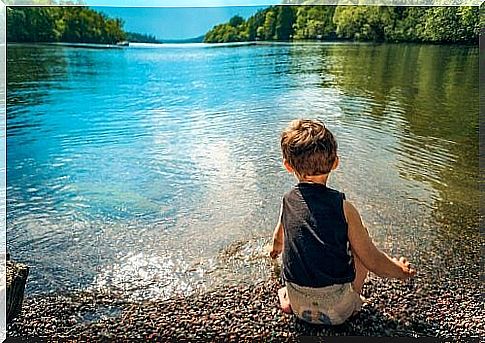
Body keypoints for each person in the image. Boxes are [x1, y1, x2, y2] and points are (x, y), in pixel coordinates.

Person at [269, 118, 416, 325]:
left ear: (287, 166)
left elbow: (278, 240)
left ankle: (288, 297)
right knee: (360, 238)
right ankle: (355, 300)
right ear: (335, 162)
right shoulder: (343, 207)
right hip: (339, 311)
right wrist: (400, 271)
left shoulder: (288, 200)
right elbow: (373, 261)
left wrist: (274, 253)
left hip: (298, 306)